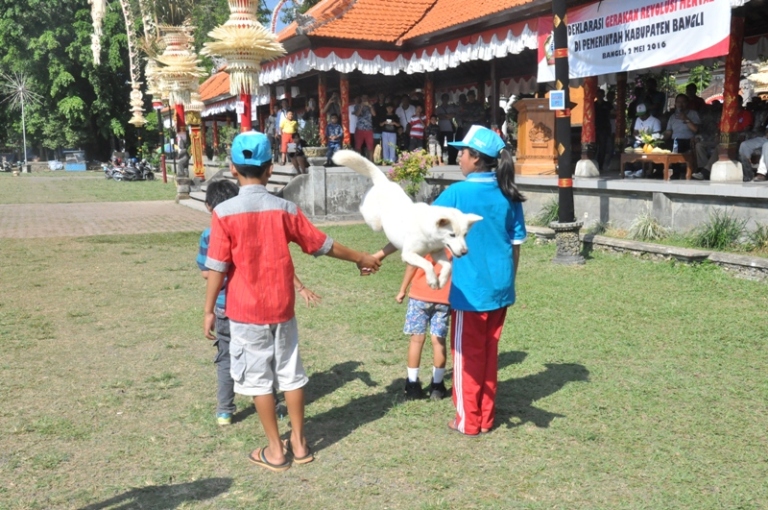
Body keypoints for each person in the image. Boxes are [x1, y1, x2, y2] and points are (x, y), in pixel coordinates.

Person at [203, 131, 381, 471]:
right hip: (282, 307)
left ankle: (275, 450)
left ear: (232, 168)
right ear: (270, 169)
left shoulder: (223, 213)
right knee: (290, 372)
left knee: (259, 380)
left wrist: (209, 309)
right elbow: (321, 244)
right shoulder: (285, 208)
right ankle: (299, 443)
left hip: (245, 311)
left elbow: (217, 267)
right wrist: (360, 257)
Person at [372, 125, 526, 436]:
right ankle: (485, 418)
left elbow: (419, 233)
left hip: (470, 293)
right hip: (501, 289)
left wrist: (380, 253)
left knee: (466, 356)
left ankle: (467, 421)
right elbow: (516, 245)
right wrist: (509, 280)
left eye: (463, 152)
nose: (458, 157)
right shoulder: (509, 193)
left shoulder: (456, 194)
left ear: (476, 159)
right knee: (488, 354)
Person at [197, 180, 321, 426]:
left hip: (231, 307)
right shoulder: (252, 223)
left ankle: (225, 410)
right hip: (247, 306)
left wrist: (210, 306)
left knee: (230, 357)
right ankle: (263, 406)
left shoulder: (212, 231)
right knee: (267, 356)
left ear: (209, 206)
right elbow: (274, 262)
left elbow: (207, 271)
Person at [395, 250, 451, 400]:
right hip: (444, 296)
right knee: (438, 341)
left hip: (420, 295)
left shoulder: (424, 241)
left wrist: (402, 289)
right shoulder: (453, 242)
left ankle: (412, 385)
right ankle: (437, 386)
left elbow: (412, 265)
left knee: (416, 340)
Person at [625, 103, 662, 178]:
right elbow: (635, 132)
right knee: (628, 148)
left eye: (643, 114)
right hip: (639, 140)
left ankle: (640, 169)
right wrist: (636, 135)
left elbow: (657, 135)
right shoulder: (638, 119)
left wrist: (647, 138)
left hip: (650, 142)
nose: (641, 116)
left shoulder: (655, 121)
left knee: (641, 149)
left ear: (647, 112)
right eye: (639, 115)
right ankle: (628, 169)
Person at [435, 94, 458, 164]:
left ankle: (451, 160)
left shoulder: (451, 107)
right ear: (442, 99)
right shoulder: (439, 108)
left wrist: (444, 116)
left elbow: (453, 115)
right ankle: (440, 159)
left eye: (446, 99)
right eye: (444, 99)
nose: (445, 100)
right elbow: (439, 116)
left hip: (449, 129)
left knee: (450, 145)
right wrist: (447, 116)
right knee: (440, 144)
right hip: (441, 129)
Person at [354, 94, 376, 160]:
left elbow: (374, 114)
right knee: (358, 146)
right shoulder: (357, 106)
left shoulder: (371, 105)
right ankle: (358, 160)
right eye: (363, 97)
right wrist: (361, 106)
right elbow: (357, 114)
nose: (365, 99)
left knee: (370, 146)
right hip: (359, 128)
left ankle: (370, 161)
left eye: (366, 98)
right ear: (361, 98)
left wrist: (370, 106)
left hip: (369, 129)